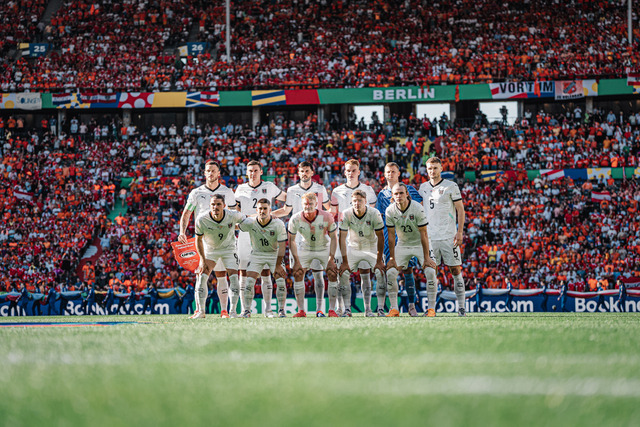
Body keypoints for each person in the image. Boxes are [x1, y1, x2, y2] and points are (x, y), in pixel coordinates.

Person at [179, 160, 237, 318]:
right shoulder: (196, 193)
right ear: (204, 173)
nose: (210, 173)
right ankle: (200, 311)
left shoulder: (227, 192)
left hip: (223, 239)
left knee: (221, 274)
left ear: (219, 173)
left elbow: (234, 214)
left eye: (213, 170)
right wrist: (182, 232)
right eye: (208, 171)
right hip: (203, 240)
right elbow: (186, 213)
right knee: (201, 274)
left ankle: (224, 311)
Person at [235, 160, 286, 315]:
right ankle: (245, 310)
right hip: (246, 233)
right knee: (243, 272)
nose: (253, 173)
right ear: (246, 172)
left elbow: (288, 200)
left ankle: (268, 310)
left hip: (264, 231)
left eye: (256, 170)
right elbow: (235, 211)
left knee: (265, 272)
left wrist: (272, 214)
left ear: (261, 172)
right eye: (250, 171)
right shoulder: (240, 189)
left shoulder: (269, 186)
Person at [419, 157, 467, 317]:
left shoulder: (450, 186)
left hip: (448, 236)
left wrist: (460, 232)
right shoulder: (423, 187)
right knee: (430, 272)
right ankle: (431, 309)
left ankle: (461, 308)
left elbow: (460, 209)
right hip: (431, 238)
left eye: (435, 168)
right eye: (429, 168)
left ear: (441, 168)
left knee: (455, 270)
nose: (432, 171)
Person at [331, 159, 377, 316]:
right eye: (348, 170)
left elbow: (371, 213)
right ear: (344, 172)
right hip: (343, 237)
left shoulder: (368, 190)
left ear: (359, 172)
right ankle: (342, 308)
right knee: (342, 273)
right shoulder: (336, 191)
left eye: (353, 170)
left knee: (365, 273)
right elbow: (333, 214)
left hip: (362, 238)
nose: (350, 173)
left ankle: (368, 309)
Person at [376, 162, 423, 314]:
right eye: (388, 172)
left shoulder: (408, 189)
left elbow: (419, 206)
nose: (390, 174)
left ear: (398, 173)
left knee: (408, 270)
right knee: (390, 270)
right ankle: (393, 306)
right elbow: (379, 216)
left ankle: (411, 305)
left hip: (406, 235)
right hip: (388, 235)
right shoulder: (382, 194)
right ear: (384, 174)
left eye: (393, 171)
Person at [385, 183, 437, 317]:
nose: (399, 196)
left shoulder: (417, 208)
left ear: (407, 194)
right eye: (396, 194)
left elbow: (424, 234)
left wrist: (426, 257)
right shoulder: (390, 210)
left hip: (420, 243)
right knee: (390, 272)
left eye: (401, 193)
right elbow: (391, 236)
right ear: (392, 196)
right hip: (403, 244)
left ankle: (431, 309)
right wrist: (392, 258)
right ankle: (394, 309)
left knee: (430, 271)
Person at [193, 194, 246, 319]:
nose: (215, 207)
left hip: (229, 249)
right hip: (210, 250)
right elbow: (198, 240)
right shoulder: (202, 219)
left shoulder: (233, 215)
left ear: (224, 205)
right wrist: (202, 259)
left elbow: (245, 220)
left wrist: (238, 226)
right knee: (202, 277)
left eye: (218, 204)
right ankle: (201, 312)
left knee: (234, 277)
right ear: (209, 205)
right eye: (213, 204)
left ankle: (232, 312)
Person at [288, 192, 338, 317]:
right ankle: (301, 310)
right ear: (302, 204)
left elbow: (334, 237)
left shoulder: (326, 216)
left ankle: (331, 310)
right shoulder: (295, 218)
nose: (308, 206)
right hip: (306, 247)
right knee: (298, 273)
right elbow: (291, 240)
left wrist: (331, 258)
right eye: (306, 204)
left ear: (316, 204)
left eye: (311, 203)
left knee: (332, 272)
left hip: (323, 247)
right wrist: (296, 261)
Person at [338, 189, 386, 317]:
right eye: (354, 201)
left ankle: (378, 309)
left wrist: (379, 260)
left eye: (360, 200)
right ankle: (347, 309)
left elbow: (381, 237)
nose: (357, 203)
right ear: (351, 202)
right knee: (343, 273)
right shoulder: (346, 213)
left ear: (365, 201)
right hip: (353, 247)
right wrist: (344, 261)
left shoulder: (374, 213)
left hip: (371, 247)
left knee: (380, 272)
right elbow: (342, 238)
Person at [237, 198, 287, 318]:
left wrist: (278, 265)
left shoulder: (278, 223)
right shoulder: (251, 222)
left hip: (274, 254)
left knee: (280, 281)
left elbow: (282, 246)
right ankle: (247, 311)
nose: (262, 211)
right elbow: (236, 226)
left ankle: (281, 310)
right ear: (256, 210)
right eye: (260, 208)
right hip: (257, 254)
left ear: (270, 210)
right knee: (249, 282)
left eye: (265, 208)